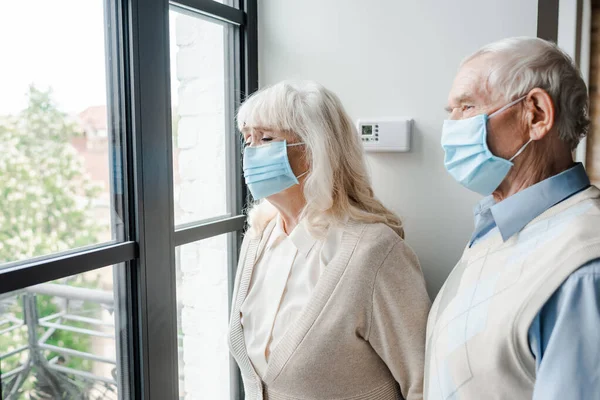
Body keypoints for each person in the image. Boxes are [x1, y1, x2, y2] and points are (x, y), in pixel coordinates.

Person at [228, 80, 431, 400]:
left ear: (314, 151)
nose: (251, 153)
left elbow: (425, 384)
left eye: (266, 138)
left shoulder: (374, 253)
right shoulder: (257, 238)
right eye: (247, 139)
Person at [425, 37, 600, 400]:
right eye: (451, 112)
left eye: (467, 107)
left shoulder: (583, 270)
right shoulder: (495, 228)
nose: (451, 128)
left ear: (535, 114)